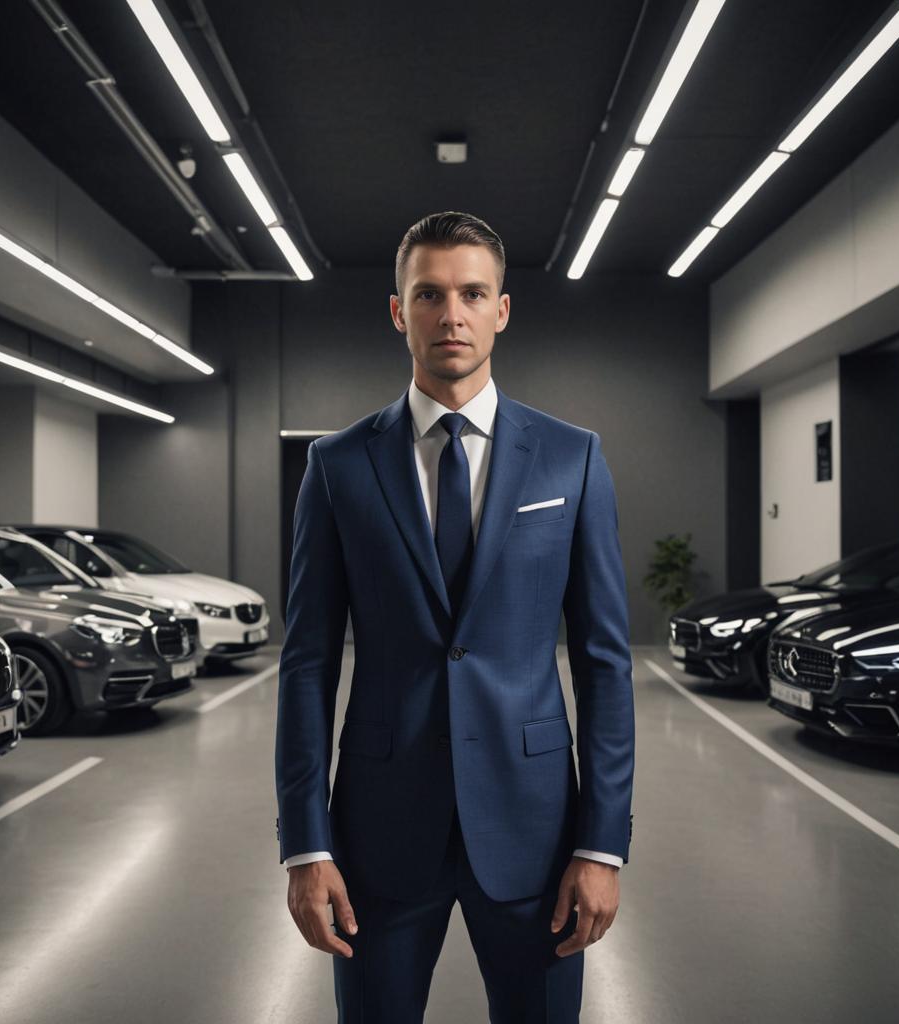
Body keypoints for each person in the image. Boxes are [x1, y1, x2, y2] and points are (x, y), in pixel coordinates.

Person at [275, 210, 635, 1023]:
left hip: (537, 834)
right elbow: (306, 665)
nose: (452, 314)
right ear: (399, 311)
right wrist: (306, 842)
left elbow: (607, 662)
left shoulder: (572, 458)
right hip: (377, 835)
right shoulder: (336, 467)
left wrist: (602, 843)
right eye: (429, 294)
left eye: (473, 292)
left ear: (501, 309)